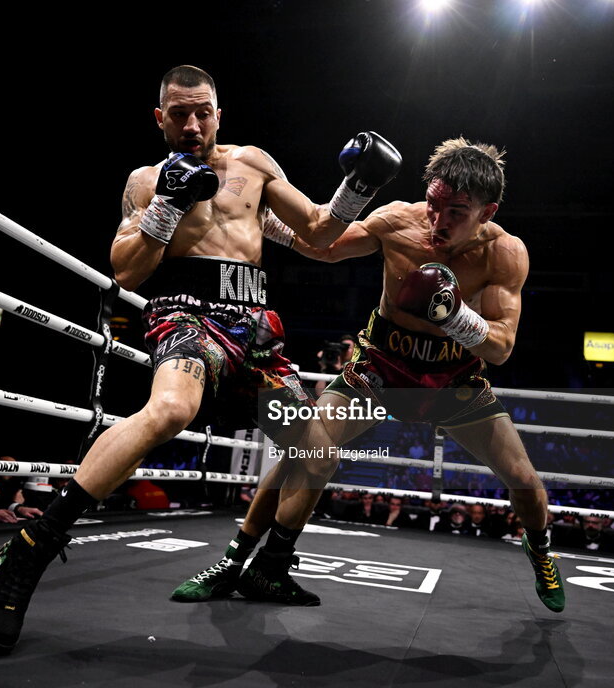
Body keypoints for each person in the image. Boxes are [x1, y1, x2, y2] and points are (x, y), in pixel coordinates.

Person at [0, 65, 401, 653]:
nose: (193, 124)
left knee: (316, 447)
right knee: (172, 409)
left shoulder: (254, 164)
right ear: (160, 117)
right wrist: (168, 203)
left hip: (253, 326)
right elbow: (126, 269)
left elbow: (320, 233)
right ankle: (32, 547)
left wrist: (359, 186)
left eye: (203, 112)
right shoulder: (145, 179)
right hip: (186, 314)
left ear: (219, 113)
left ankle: (264, 567)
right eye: (179, 113)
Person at [178, 137, 566, 614]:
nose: (438, 221)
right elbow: (323, 248)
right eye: (434, 203)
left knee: (524, 480)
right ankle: (246, 561)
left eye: (457, 212)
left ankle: (542, 550)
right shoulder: (398, 219)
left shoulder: (505, 253)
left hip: (454, 380)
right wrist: (262, 217)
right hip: (381, 367)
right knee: (308, 448)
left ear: (488, 211)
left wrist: (453, 316)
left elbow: (502, 348)